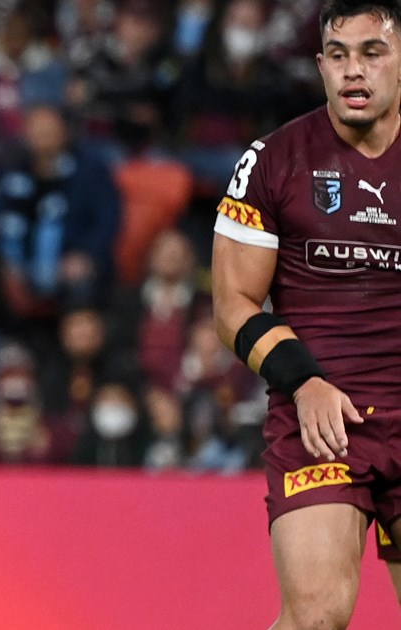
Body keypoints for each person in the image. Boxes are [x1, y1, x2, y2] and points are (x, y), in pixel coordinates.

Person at [210, 2, 401, 628]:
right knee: (316, 616)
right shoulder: (273, 159)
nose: (354, 71)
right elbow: (232, 304)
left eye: (372, 52)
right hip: (321, 422)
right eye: (339, 55)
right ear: (320, 66)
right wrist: (305, 382)